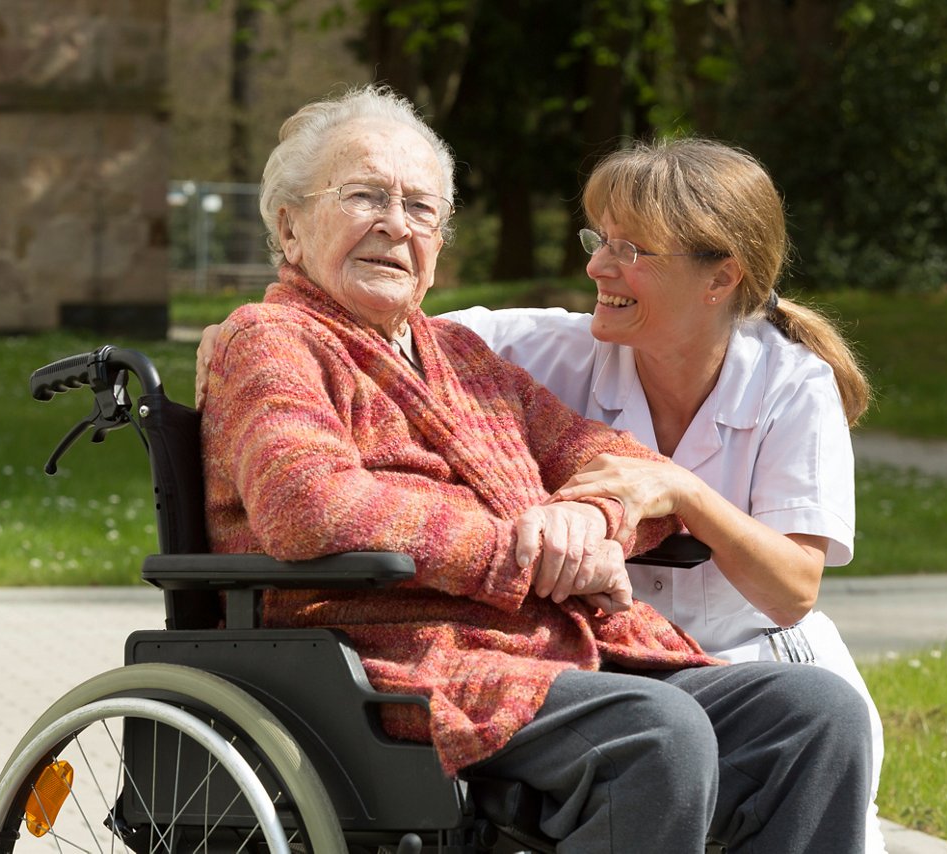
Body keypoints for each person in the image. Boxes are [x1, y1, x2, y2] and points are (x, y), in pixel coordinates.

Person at [199, 84, 872, 852]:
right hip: (395, 659)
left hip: (550, 655)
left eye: (421, 208)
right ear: (288, 226)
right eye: (364, 196)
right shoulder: (272, 341)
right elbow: (309, 506)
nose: (395, 224)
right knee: (655, 731)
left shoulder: (462, 358)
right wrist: (522, 550)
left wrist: (587, 518)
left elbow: (614, 461)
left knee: (817, 714)